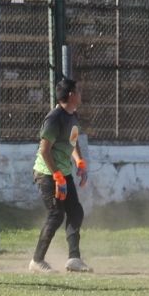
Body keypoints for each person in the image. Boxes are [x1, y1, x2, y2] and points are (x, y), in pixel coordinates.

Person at [28, 78, 91, 273]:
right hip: (47, 173)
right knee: (56, 215)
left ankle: (74, 259)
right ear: (71, 95)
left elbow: (73, 142)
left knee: (76, 212)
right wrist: (57, 176)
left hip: (63, 173)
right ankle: (37, 261)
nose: (81, 94)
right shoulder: (54, 118)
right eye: (78, 91)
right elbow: (45, 150)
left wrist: (79, 161)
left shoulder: (72, 116)